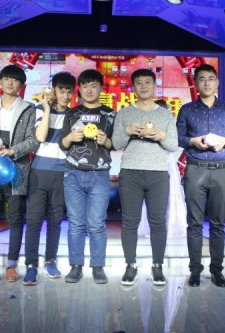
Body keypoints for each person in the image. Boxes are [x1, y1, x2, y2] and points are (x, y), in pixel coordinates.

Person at [112, 69, 178, 287]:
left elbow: (172, 145)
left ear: (154, 85)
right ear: (133, 87)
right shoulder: (124, 113)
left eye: (147, 82)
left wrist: (161, 136)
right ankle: (130, 266)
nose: (143, 86)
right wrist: (128, 130)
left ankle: (157, 266)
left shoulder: (165, 114)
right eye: (139, 83)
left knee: (157, 221)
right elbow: (116, 144)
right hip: (130, 172)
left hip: (158, 173)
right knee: (130, 221)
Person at [177, 64, 225, 288]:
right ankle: (195, 270)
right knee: (194, 223)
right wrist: (193, 141)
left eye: (211, 78)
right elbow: (178, 137)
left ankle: (217, 271)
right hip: (196, 168)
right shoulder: (187, 109)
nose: (206, 82)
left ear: (217, 82)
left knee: (218, 224)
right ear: (195, 83)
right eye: (202, 79)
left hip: (221, 169)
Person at [0, 65, 39, 283]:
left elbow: (32, 140)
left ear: (21, 85)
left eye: (15, 80)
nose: (10, 83)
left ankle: (11, 265)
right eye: (6, 79)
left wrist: (12, 151)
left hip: (16, 169)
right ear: (0, 81)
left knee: (16, 219)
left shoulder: (29, 109)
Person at [59, 69, 115, 284]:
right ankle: (76, 266)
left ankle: (98, 267)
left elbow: (115, 144)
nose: (89, 90)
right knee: (75, 224)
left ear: (101, 88)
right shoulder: (72, 113)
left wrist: (105, 141)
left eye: (93, 85)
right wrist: (71, 138)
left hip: (99, 175)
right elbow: (62, 144)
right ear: (79, 89)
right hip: (73, 174)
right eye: (85, 86)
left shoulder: (110, 114)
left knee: (96, 223)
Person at [23, 72, 76, 286]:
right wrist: (46, 109)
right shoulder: (39, 109)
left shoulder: (73, 114)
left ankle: (50, 261)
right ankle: (30, 265)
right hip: (39, 172)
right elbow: (40, 137)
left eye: (69, 91)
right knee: (34, 221)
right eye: (61, 90)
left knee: (55, 221)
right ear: (54, 90)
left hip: (62, 173)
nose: (65, 95)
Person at [137, 98, 186, 240]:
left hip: (166, 164)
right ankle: (152, 228)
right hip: (150, 164)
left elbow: (174, 146)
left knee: (169, 195)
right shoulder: (146, 126)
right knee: (151, 197)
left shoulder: (170, 127)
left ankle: (169, 227)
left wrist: (162, 138)